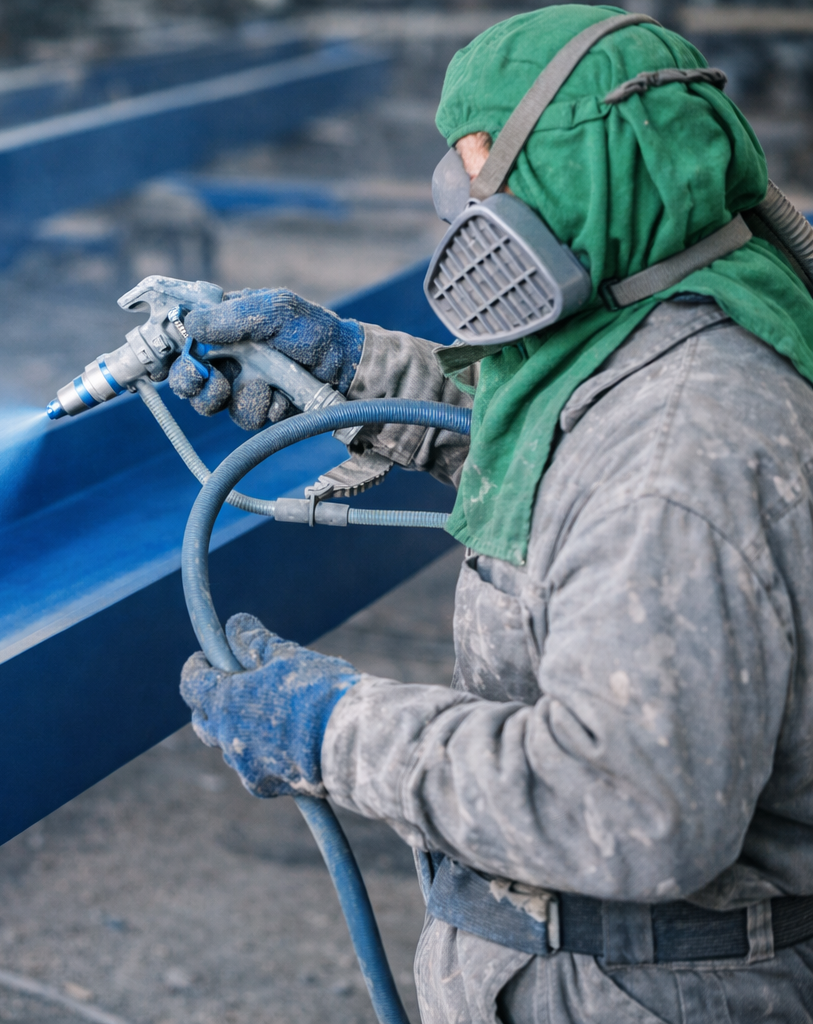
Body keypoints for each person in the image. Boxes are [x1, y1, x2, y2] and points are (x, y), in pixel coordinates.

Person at [167, 6, 813, 1022]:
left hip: (642, 989)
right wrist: (337, 369)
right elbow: (567, 443)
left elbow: (631, 804)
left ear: (574, 176)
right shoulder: (680, 315)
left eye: (477, 166)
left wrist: (331, 726)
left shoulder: (683, 459)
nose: (459, 201)